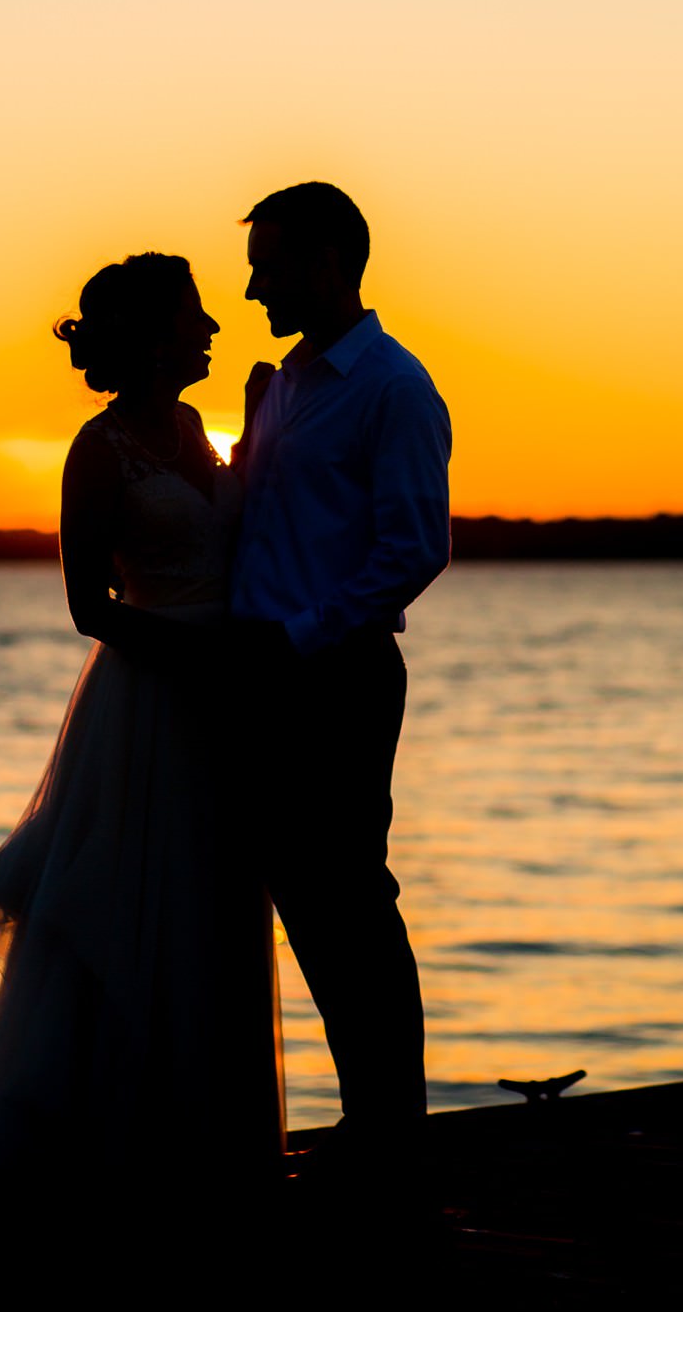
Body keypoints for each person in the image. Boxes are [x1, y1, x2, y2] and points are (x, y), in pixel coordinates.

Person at [0, 253, 285, 1264]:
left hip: (225, 710)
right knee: (129, 907)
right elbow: (85, 608)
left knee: (212, 910)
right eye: (196, 316)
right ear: (158, 334)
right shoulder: (98, 448)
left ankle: (208, 1153)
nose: (211, 329)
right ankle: (103, 1154)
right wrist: (201, 644)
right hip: (148, 702)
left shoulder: (203, 430)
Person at [230, 182, 452, 1183]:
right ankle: (367, 1122)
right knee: (301, 900)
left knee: (354, 897)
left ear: (329, 262)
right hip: (262, 679)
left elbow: (415, 547)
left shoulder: (393, 389)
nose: (251, 286)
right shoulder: (283, 384)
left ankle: (390, 1129)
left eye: (269, 264)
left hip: (340, 672)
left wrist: (303, 636)